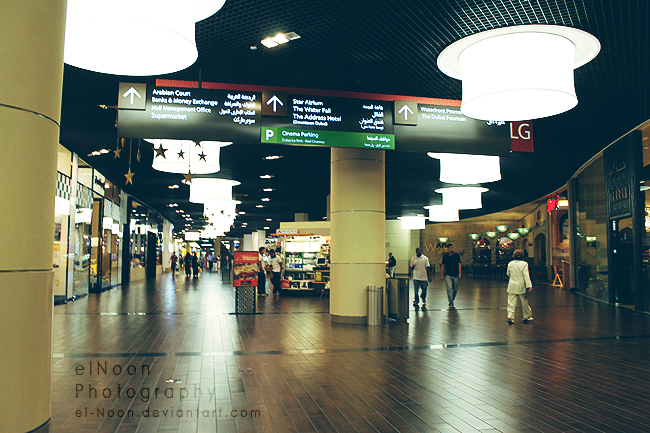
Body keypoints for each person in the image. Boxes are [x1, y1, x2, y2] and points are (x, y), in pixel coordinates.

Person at [506, 249, 533, 324]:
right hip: (521, 286)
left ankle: (510, 316)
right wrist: (529, 285)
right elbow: (526, 276)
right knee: (524, 302)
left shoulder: (510, 263)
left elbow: (508, 274)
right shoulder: (524, 264)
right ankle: (526, 316)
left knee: (511, 302)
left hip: (511, 285)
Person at [440, 243, 462, 308]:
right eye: (450, 248)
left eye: (452, 248)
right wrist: (441, 275)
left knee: (455, 289)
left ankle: (452, 299)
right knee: (449, 289)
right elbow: (443, 266)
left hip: (455, 274)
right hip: (448, 274)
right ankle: (451, 302)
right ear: (447, 249)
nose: (451, 249)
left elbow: (459, 264)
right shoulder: (445, 256)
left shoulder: (456, 255)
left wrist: (460, 273)